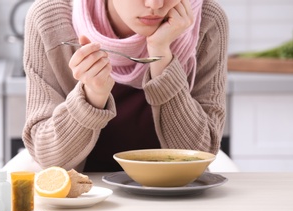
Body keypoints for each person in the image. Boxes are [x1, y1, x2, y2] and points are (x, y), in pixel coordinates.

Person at [22, 0, 228, 172]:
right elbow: (49, 159)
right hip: (85, 200)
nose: (155, 4)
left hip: (174, 197)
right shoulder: (51, 18)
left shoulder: (206, 20)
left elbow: (200, 155)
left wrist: (161, 55)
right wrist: (91, 95)